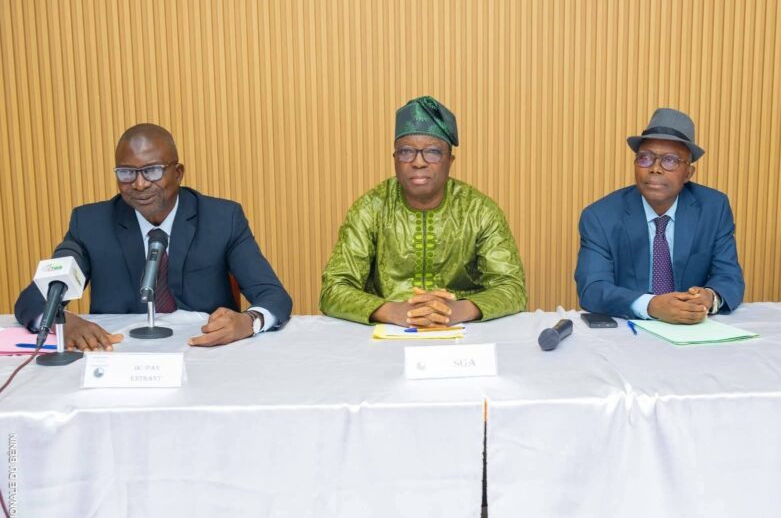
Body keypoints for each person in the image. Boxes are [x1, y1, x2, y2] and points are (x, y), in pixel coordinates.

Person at [14, 123, 292, 348]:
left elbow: (273, 295)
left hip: (203, 351)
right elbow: (32, 300)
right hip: (119, 352)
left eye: (152, 171)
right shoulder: (90, 223)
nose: (139, 184)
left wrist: (249, 321)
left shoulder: (222, 218)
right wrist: (62, 321)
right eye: (127, 173)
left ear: (178, 173)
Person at [320, 96, 527, 327]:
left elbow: (512, 287)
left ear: (450, 160)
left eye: (433, 152)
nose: (418, 162)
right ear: (395, 159)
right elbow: (334, 289)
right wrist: (391, 311)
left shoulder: (479, 210)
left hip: (463, 333)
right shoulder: (371, 209)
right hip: (387, 333)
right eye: (406, 152)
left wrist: (458, 310)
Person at [574, 107, 744, 324]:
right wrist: (651, 305)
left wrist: (710, 297)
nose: (655, 168)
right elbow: (592, 288)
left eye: (670, 160)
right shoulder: (600, 217)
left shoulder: (713, 208)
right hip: (629, 331)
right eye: (645, 158)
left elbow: (729, 277)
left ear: (688, 173)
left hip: (693, 329)